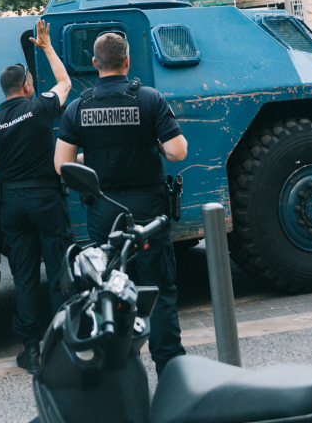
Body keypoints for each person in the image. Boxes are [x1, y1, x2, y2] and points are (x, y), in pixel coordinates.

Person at [53, 32, 188, 376]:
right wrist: (153, 144)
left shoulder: (78, 107)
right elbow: (177, 151)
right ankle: (171, 370)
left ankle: (119, 371)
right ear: (127, 61)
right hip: (147, 210)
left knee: (108, 293)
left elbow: (63, 165)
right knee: (157, 289)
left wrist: (96, 154)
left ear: (95, 64)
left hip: (103, 212)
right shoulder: (149, 99)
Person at [0, 19, 74, 373]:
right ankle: (63, 345)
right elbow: (65, 83)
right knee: (60, 269)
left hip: (12, 205)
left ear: (5, 91)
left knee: (25, 276)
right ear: (27, 86)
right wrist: (46, 47)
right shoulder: (40, 108)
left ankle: (31, 350)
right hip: (46, 199)